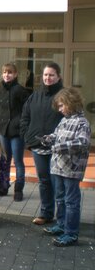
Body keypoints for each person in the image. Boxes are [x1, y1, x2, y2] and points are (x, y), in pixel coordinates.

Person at [40, 87, 91, 247]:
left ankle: (71, 233)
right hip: (57, 166)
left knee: (71, 201)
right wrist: (49, 138)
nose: (60, 110)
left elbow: (82, 143)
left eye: (62, 106)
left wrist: (59, 147)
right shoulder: (64, 120)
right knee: (60, 198)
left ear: (71, 103)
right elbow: (57, 135)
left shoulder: (82, 122)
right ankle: (61, 225)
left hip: (72, 169)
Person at [20, 62, 64, 225]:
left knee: (57, 183)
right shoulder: (35, 96)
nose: (48, 78)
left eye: (51, 75)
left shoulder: (64, 96)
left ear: (58, 76)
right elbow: (25, 117)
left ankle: (62, 218)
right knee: (44, 181)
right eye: (45, 75)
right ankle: (46, 214)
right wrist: (27, 136)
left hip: (58, 148)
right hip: (38, 147)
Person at [0, 63, 30, 200]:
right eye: (5, 72)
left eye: (10, 72)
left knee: (18, 162)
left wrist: (21, 124)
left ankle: (18, 190)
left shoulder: (20, 90)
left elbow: (27, 110)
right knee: (5, 161)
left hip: (16, 132)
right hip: (4, 130)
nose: (7, 75)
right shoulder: (1, 88)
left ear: (15, 74)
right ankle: (4, 186)